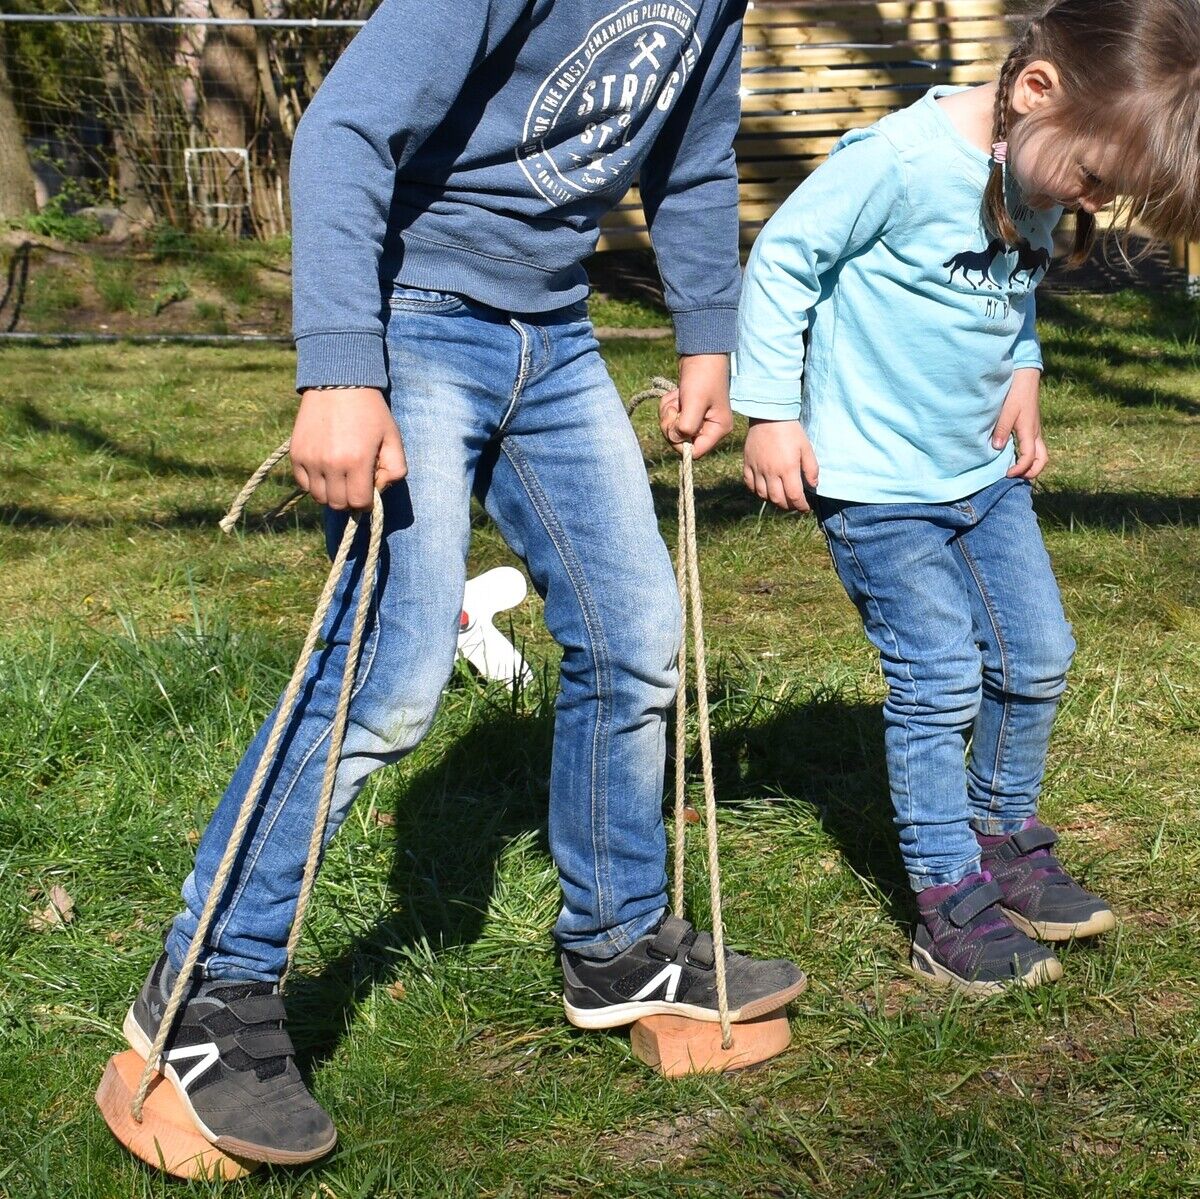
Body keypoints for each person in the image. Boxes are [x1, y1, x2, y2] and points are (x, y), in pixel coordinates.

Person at [122, 0, 807, 1166]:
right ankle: (202, 990)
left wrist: (710, 336)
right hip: (417, 315)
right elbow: (342, 126)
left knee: (636, 629)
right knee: (390, 674)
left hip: (554, 330)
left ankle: (619, 941)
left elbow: (692, 162)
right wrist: (340, 360)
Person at [731, 0, 1200, 994]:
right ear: (1036, 91)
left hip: (980, 476)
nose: (1091, 202)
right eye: (1093, 180)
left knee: (1037, 654)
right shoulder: (898, 163)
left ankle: (1000, 836)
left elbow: (1009, 282)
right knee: (940, 674)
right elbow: (782, 260)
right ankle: (947, 899)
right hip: (877, 484)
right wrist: (770, 411)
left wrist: (1023, 370)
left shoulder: (1028, 159)